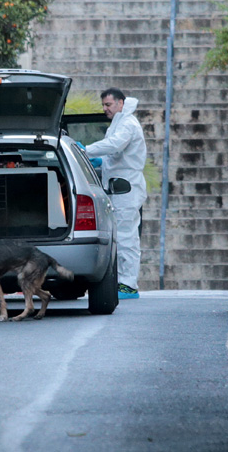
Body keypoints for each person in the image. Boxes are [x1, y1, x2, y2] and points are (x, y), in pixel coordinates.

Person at [83, 89, 148, 299]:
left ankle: (128, 284)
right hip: (120, 186)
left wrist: (85, 150)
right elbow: (117, 154)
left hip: (126, 187)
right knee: (121, 235)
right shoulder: (119, 122)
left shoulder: (127, 123)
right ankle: (123, 282)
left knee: (127, 236)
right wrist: (102, 162)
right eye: (103, 105)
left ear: (121, 103)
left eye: (108, 104)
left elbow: (114, 145)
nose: (105, 109)